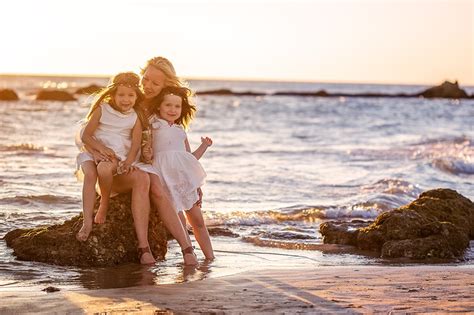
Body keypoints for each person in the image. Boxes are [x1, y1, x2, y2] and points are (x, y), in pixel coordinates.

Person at [137, 56, 203, 265]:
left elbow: (180, 150)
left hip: (155, 167)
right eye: (145, 79)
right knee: (157, 187)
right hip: (133, 163)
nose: (147, 86)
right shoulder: (133, 100)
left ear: (167, 86)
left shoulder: (167, 109)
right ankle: (187, 249)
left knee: (178, 200)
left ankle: (189, 251)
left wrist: (193, 182)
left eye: (155, 83)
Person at [144, 86, 215, 260]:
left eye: (177, 106)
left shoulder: (180, 130)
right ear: (159, 106)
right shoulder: (153, 124)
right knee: (179, 220)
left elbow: (189, 159)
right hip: (164, 180)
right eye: (168, 105)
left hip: (184, 181)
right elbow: (147, 151)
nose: (172, 110)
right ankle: (189, 254)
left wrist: (204, 147)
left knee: (198, 221)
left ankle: (210, 257)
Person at [76, 72, 145, 241]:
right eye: (121, 95)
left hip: (116, 154)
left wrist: (128, 162)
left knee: (104, 168)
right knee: (90, 175)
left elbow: (136, 143)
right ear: (113, 95)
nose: (125, 99)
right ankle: (86, 223)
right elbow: (86, 136)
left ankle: (104, 202)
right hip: (92, 150)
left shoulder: (135, 117)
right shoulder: (102, 110)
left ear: (137, 97)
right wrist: (100, 149)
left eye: (130, 95)